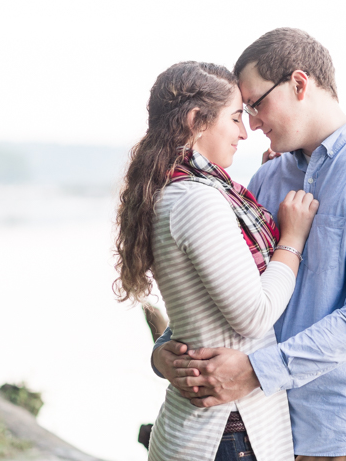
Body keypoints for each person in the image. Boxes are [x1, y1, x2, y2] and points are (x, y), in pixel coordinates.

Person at [153, 29, 346, 460]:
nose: (252, 124)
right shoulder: (267, 178)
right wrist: (167, 351)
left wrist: (254, 372)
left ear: (299, 84)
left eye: (255, 105)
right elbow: (229, 290)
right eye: (241, 112)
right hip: (274, 432)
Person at [114, 61, 319, 461]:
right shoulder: (197, 200)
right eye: (236, 117)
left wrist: (160, 350)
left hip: (210, 428)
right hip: (228, 431)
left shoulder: (180, 189)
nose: (245, 131)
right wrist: (292, 239)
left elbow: (202, 309)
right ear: (196, 121)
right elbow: (255, 316)